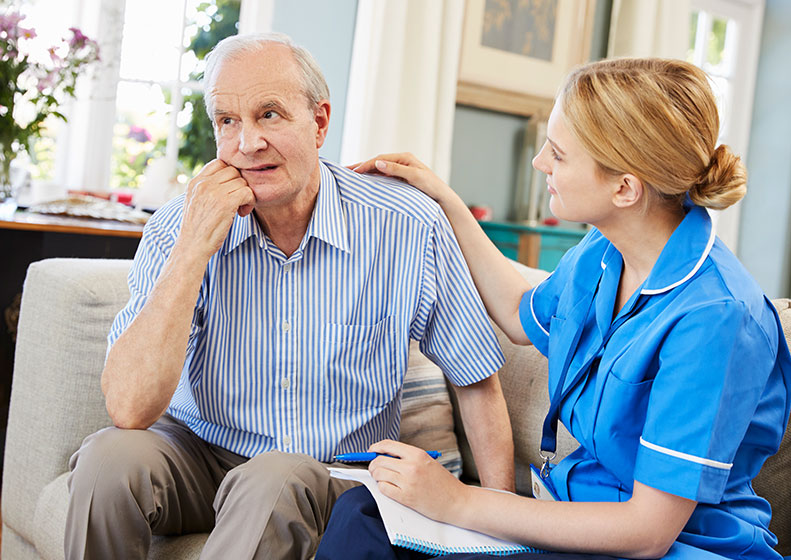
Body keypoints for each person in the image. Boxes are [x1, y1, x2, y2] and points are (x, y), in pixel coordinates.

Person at [315, 58, 791, 560]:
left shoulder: (716, 317)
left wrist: (458, 501)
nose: (540, 161)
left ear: (625, 188)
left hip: (667, 546)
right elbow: (521, 311)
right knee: (363, 514)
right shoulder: (604, 251)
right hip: (575, 510)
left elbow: (646, 533)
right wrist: (445, 202)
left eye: (560, 155)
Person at [64, 32, 515, 560]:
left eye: (269, 115)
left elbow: (476, 379)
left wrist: (497, 520)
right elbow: (128, 408)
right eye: (227, 122)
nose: (246, 143)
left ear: (319, 122)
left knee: (274, 477)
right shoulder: (178, 228)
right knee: (106, 459)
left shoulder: (405, 224)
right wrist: (192, 251)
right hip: (201, 453)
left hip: (325, 470)